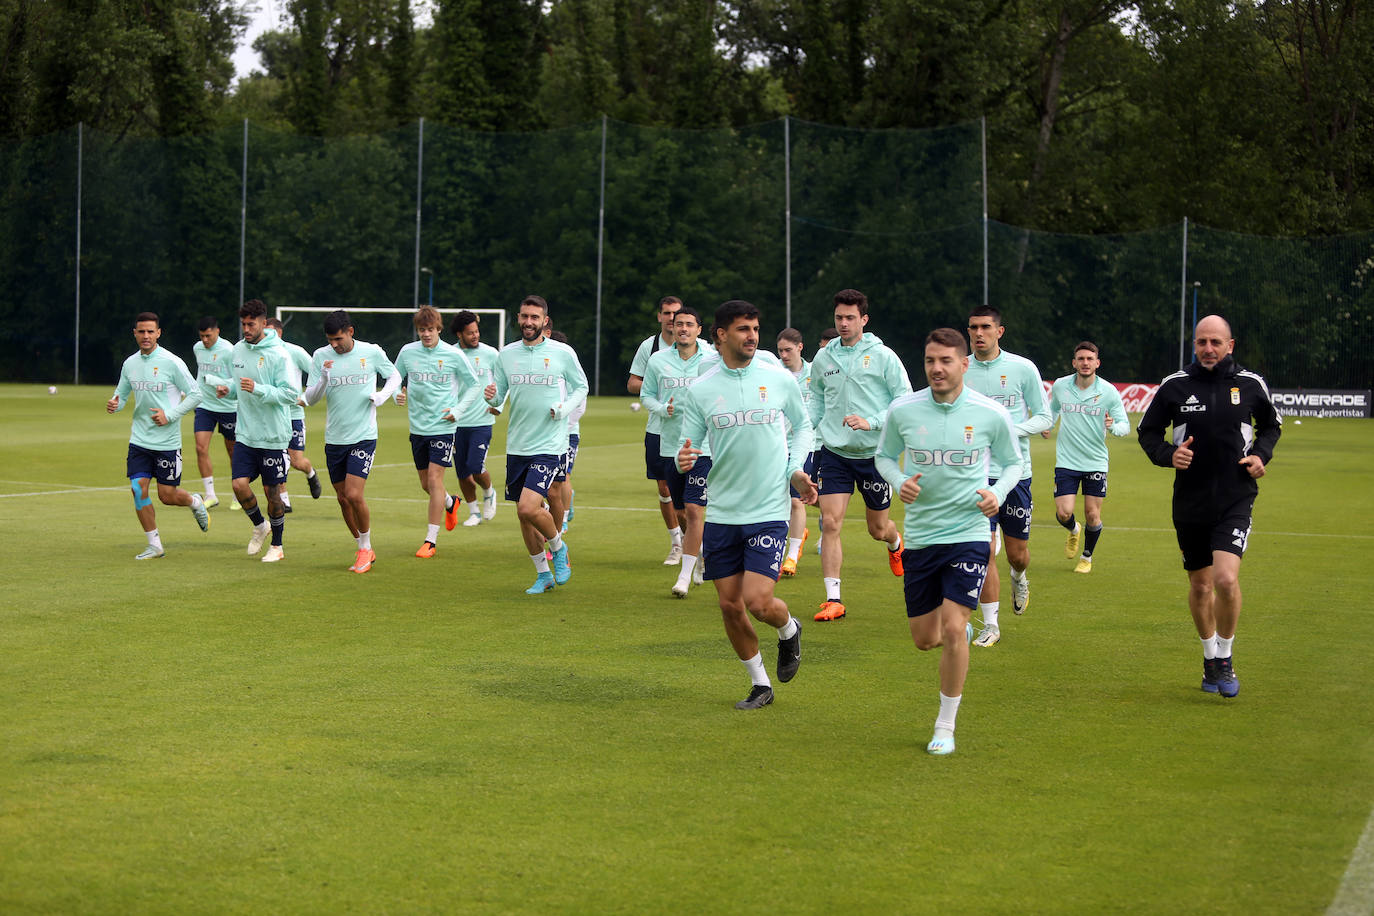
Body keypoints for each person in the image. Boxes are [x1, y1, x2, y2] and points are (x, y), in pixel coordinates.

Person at [876, 328, 1023, 755]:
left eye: (945, 361)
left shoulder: (990, 413)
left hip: (969, 534)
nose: (936, 369)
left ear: (963, 364)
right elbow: (883, 456)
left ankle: (945, 726)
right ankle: (952, 635)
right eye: (929, 361)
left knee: (956, 628)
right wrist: (900, 480)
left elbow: (1013, 463)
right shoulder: (903, 411)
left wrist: (998, 491)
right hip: (921, 538)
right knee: (926, 638)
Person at [676, 299, 817, 710]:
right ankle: (760, 685)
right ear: (720, 335)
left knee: (758, 601)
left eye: (755, 328)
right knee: (729, 606)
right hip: (722, 513)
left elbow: (804, 426)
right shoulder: (701, 390)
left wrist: (795, 470)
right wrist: (684, 458)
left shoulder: (777, 379)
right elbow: (689, 444)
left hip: (769, 510)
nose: (752, 336)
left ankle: (789, 628)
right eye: (742, 329)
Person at [1137, 314, 1281, 699]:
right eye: (1202, 342)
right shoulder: (1175, 387)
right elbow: (1147, 432)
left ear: (1230, 345)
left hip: (1236, 496)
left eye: (1216, 342)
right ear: (1195, 344)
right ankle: (1209, 658)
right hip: (1190, 502)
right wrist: (1169, 455)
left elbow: (1271, 426)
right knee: (1200, 585)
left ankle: (1227, 656)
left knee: (1226, 580)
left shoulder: (1250, 385)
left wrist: (1261, 455)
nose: (1209, 349)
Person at [806, 288, 913, 621]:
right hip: (835, 452)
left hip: (875, 455)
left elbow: (903, 399)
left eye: (850, 317)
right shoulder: (825, 357)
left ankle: (896, 544)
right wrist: (806, 434)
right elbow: (817, 401)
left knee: (877, 529)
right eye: (839, 317)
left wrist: (872, 422)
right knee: (830, 522)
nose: (843, 323)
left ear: (864, 319)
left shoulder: (884, 356)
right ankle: (833, 598)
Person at [483, 296, 588, 594]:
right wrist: (490, 395)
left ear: (545, 321)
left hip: (550, 444)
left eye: (535, 317)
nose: (529, 322)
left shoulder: (562, 352)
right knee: (522, 513)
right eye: (525, 316)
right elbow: (498, 395)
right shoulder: (506, 354)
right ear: (518, 318)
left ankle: (559, 547)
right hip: (518, 444)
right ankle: (543, 575)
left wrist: (564, 410)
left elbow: (582, 387)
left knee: (530, 507)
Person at [964, 305, 1052, 646]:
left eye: (986, 327)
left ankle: (1019, 576)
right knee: (984, 551)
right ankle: (991, 625)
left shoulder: (1022, 368)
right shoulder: (962, 369)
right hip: (975, 476)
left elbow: (1045, 417)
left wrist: (1010, 430)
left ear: (1000, 331)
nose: (979, 333)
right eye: (973, 327)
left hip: (1015, 475)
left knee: (1017, 554)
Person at [302, 310, 399, 573]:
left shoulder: (371, 351)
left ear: (350, 332)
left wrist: (382, 396)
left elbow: (395, 376)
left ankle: (366, 548)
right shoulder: (321, 357)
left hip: (363, 436)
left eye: (338, 339)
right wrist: (323, 377)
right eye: (330, 340)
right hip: (335, 438)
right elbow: (310, 399)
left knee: (355, 494)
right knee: (343, 498)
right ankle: (361, 547)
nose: (334, 344)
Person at [106, 312, 210, 558]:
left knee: (167, 495)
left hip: (167, 442)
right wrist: (114, 404)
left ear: (159, 333)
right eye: (141, 331)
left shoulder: (172, 362)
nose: (146, 336)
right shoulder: (130, 363)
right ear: (135, 333)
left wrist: (169, 415)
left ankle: (195, 501)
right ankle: (155, 545)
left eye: (150, 331)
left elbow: (196, 395)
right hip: (139, 441)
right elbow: (120, 395)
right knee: (137, 488)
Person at [392, 305, 480, 558]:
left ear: (438, 329)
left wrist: (459, 410)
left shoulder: (453, 355)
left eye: (430, 329)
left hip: (443, 426)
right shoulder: (408, 352)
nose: (426, 334)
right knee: (426, 485)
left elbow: (474, 385)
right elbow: (395, 377)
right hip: (418, 427)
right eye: (422, 330)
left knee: (434, 480)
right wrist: (398, 392)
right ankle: (451, 503)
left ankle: (430, 541)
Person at [641, 306, 718, 597]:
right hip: (670, 445)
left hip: (703, 447)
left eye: (689, 324)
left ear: (699, 329)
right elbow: (646, 395)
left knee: (696, 509)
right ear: (672, 328)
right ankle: (697, 554)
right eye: (678, 324)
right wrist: (663, 409)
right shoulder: (658, 360)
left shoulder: (712, 360)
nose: (683, 328)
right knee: (681, 511)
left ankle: (683, 577)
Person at [224, 299, 299, 563]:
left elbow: (291, 394)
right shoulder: (237, 350)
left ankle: (277, 546)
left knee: (272, 493)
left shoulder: (279, 354)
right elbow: (238, 386)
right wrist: (227, 388)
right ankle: (260, 525)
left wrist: (257, 388)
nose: (246, 329)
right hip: (246, 432)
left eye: (251, 324)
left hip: (273, 436)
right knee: (238, 484)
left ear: (264, 324)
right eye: (243, 324)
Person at [1047, 341, 1130, 574]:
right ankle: (1074, 530)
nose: (1085, 363)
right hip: (1066, 460)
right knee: (1063, 513)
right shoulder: (1061, 386)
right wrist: (1049, 424)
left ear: (1097, 363)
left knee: (1093, 514)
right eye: (1081, 359)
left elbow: (1124, 425)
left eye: (1089, 359)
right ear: (1074, 362)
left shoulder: (1109, 391)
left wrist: (1113, 427)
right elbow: (1052, 408)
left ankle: (1087, 556)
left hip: (1095, 461)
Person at [627, 295, 686, 565]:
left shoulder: (701, 349)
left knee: (693, 491)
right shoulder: (649, 347)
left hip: (690, 431)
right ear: (660, 317)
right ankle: (677, 543)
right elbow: (633, 384)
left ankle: (698, 543)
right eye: (667, 314)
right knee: (664, 488)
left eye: (676, 314)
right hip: (658, 428)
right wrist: (657, 388)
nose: (672, 319)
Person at [264, 316, 323, 512]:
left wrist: (305, 398)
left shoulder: (295, 352)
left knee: (296, 461)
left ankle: (311, 473)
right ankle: (284, 499)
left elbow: (318, 374)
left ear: (279, 333)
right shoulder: (263, 353)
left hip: (294, 415)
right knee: (280, 457)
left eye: (269, 331)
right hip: (274, 415)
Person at [451, 310, 502, 526]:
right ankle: (474, 512)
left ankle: (489, 491)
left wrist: (497, 404)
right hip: (455, 423)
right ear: (459, 334)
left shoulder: (491, 354)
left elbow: (503, 380)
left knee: (475, 464)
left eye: (477, 331)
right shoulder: (449, 354)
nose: (475, 336)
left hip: (482, 421)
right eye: (470, 333)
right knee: (462, 472)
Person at [775, 327, 815, 577]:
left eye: (788, 350)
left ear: (800, 347)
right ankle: (790, 541)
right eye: (780, 351)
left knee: (795, 500)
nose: (784, 355)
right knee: (780, 502)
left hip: (805, 445)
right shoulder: (774, 373)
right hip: (775, 446)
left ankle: (791, 556)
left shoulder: (814, 374)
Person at [190, 316, 237, 509]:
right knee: (201, 448)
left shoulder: (229, 350)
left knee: (233, 452)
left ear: (217, 331)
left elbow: (237, 379)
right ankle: (210, 495)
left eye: (208, 336)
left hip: (228, 407)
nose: (205, 340)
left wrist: (223, 387)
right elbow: (201, 374)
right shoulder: (197, 348)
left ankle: (237, 494)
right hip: (205, 405)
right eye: (202, 336)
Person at [547, 329, 585, 535]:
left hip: (568, 433)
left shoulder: (571, 371)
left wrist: (564, 425)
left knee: (564, 477)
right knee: (552, 480)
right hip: (546, 434)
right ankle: (559, 509)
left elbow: (580, 405)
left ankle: (562, 519)